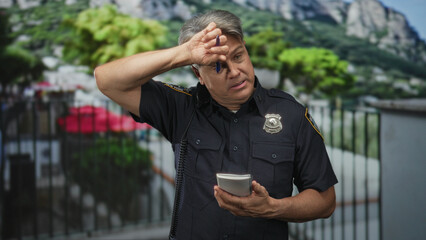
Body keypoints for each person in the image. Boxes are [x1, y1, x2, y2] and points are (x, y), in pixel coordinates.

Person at [95, 9, 337, 240]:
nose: (234, 71)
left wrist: (271, 208)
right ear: (198, 74)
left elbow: (325, 201)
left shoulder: (291, 113)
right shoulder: (180, 108)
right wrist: (185, 52)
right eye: (216, 65)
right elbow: (107, 80)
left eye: (238, 56)